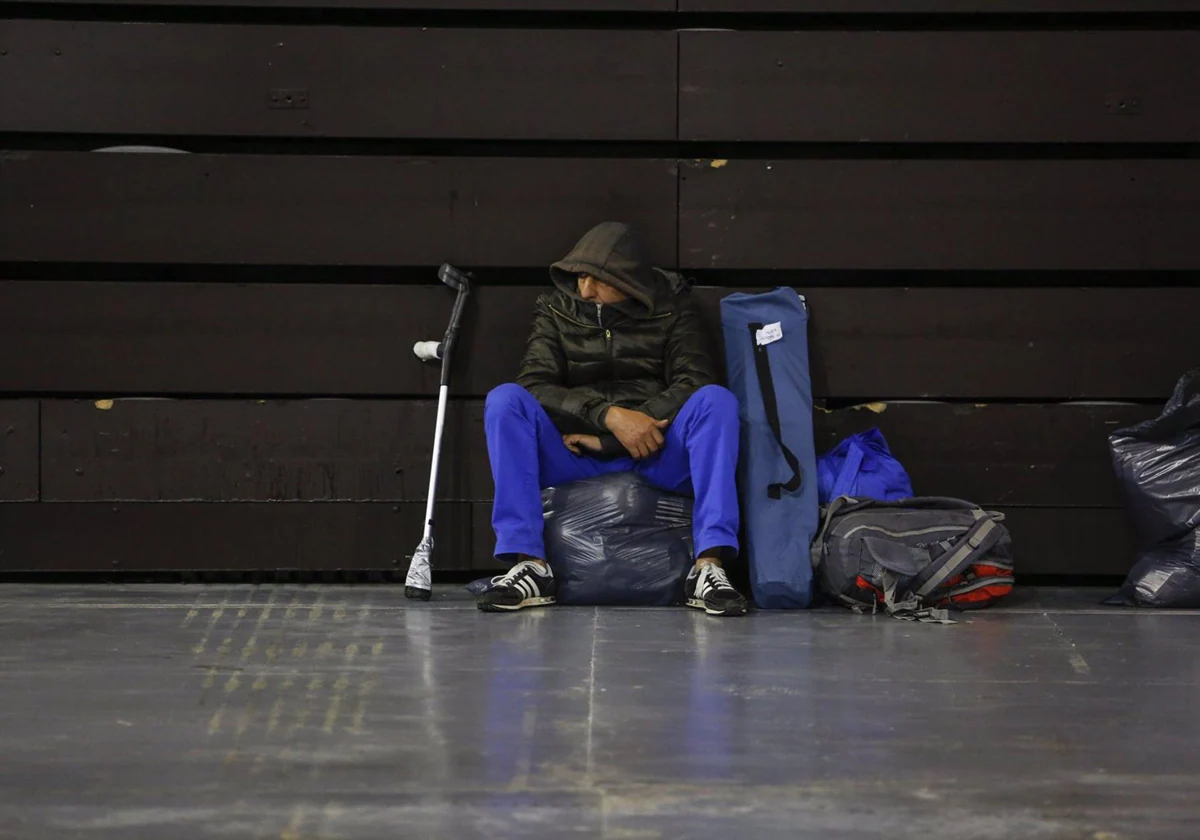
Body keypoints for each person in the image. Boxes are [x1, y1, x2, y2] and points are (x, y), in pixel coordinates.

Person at [479, 221, 748, 616]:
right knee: (505, 400)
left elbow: (694, 381)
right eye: (581, 276)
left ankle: (708, 566)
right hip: (575, 454)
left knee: (717, 401)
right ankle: (530, 564)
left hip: (654, 451)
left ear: (628, 282)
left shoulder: (674, 308)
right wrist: (607, 416)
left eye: (597, 280)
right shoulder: (557, 307)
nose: (584, 289)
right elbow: (535, 384)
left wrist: (621, 435)